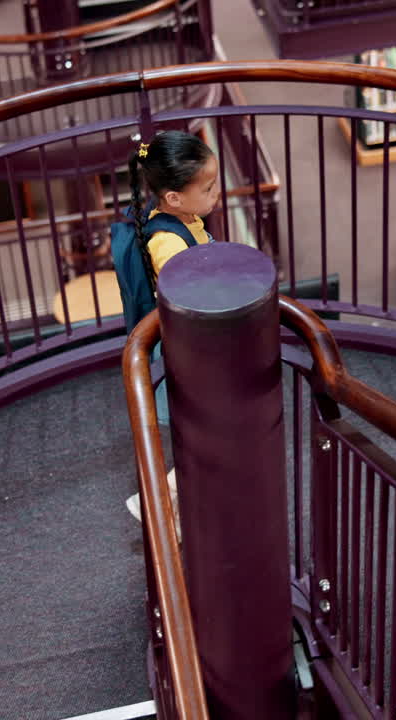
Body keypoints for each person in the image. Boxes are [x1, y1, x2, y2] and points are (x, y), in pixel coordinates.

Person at [123, 130, 220, 524]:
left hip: (196, 341)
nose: (216, 193)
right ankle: (162, 499)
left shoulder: (183, 217)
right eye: (208, 188)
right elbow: (188, 294)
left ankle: (179, 503)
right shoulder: (167, 242)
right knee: (206, 427)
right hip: (189, 347)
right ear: (174, 197)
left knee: (206, 425)